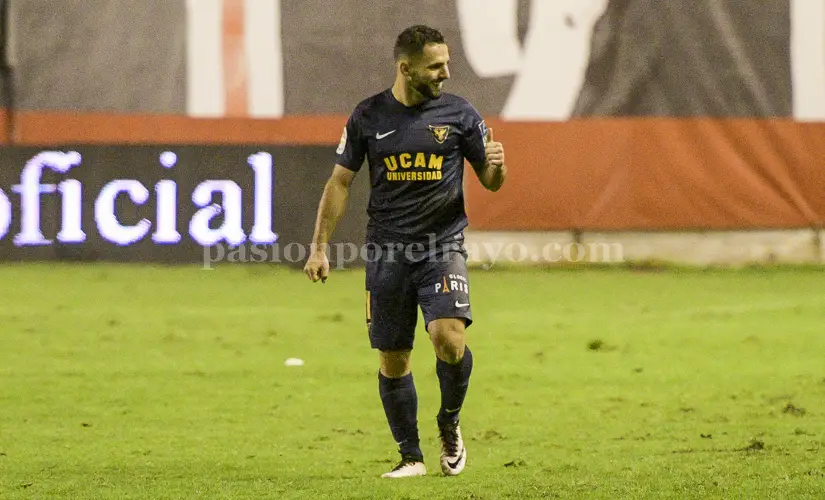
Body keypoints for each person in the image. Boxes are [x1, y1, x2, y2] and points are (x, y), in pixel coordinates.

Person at [303, 24, 507, 478]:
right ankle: (410, 456)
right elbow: (339, 182)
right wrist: (319, 248)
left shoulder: (460, 114)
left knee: (448, 339)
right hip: (387, 251)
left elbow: (489, 181)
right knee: (394, 358)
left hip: (442, 245)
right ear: (405, 68)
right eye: (436, 66)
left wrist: (497, 168)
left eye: (446, 64)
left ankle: (449, 425)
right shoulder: (368, 116)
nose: (446, 74)